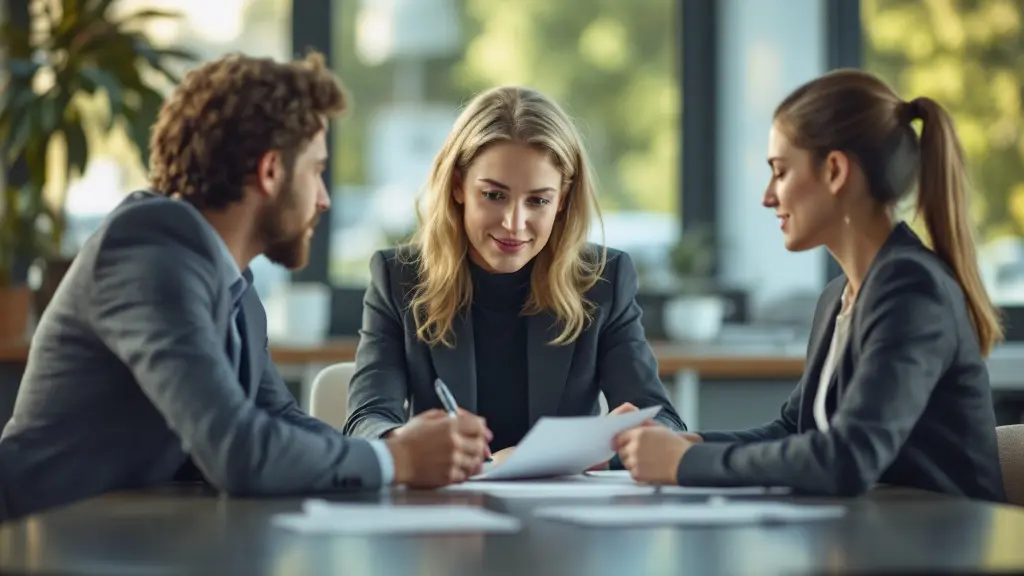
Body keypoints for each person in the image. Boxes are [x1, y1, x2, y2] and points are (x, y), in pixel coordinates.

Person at [0, 51, 490, 521]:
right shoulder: (148, 253)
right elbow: (237, 447)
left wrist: (391, 448)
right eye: (317, 171)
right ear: (271, 170)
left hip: (130, 537)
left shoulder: (231, 278)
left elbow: (277, 419)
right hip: (39, 541)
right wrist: (398, 462)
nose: (324, 200)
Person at [614, 69, 1007, 502]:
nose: (768, 196)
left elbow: (848, 458)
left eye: (780, 172)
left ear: (836, 171)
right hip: (872, 537)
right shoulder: (838, 297)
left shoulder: (912, 291)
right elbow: (794, 430)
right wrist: (695, 445)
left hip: (941, 549)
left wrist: (685, 466)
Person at [343, 86, 685, 465]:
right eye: (494, 195)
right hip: (448, 511)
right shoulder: (399, 278)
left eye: (538, 200)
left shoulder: (604, 281)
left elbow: (663, 423)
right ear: (458, 186)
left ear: (563, 200)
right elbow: (366, 419)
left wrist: (596, 452)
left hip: (565, 512)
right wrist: (407, 442)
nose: (514, 224)